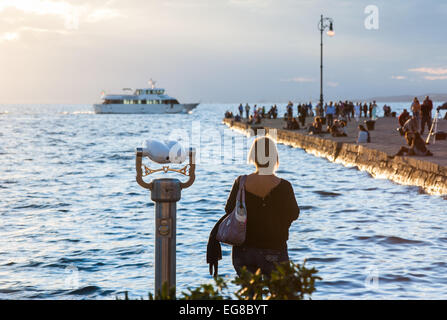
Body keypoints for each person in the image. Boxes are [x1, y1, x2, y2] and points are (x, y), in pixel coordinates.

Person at [207, 137, 300, 276]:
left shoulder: (241, 182)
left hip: (244, 250)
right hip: (275, 248)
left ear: (254, 157)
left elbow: (229, 210)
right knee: (280, 293)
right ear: (274, 157)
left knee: (250, 294)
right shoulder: (284, 186)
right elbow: (294, 214)